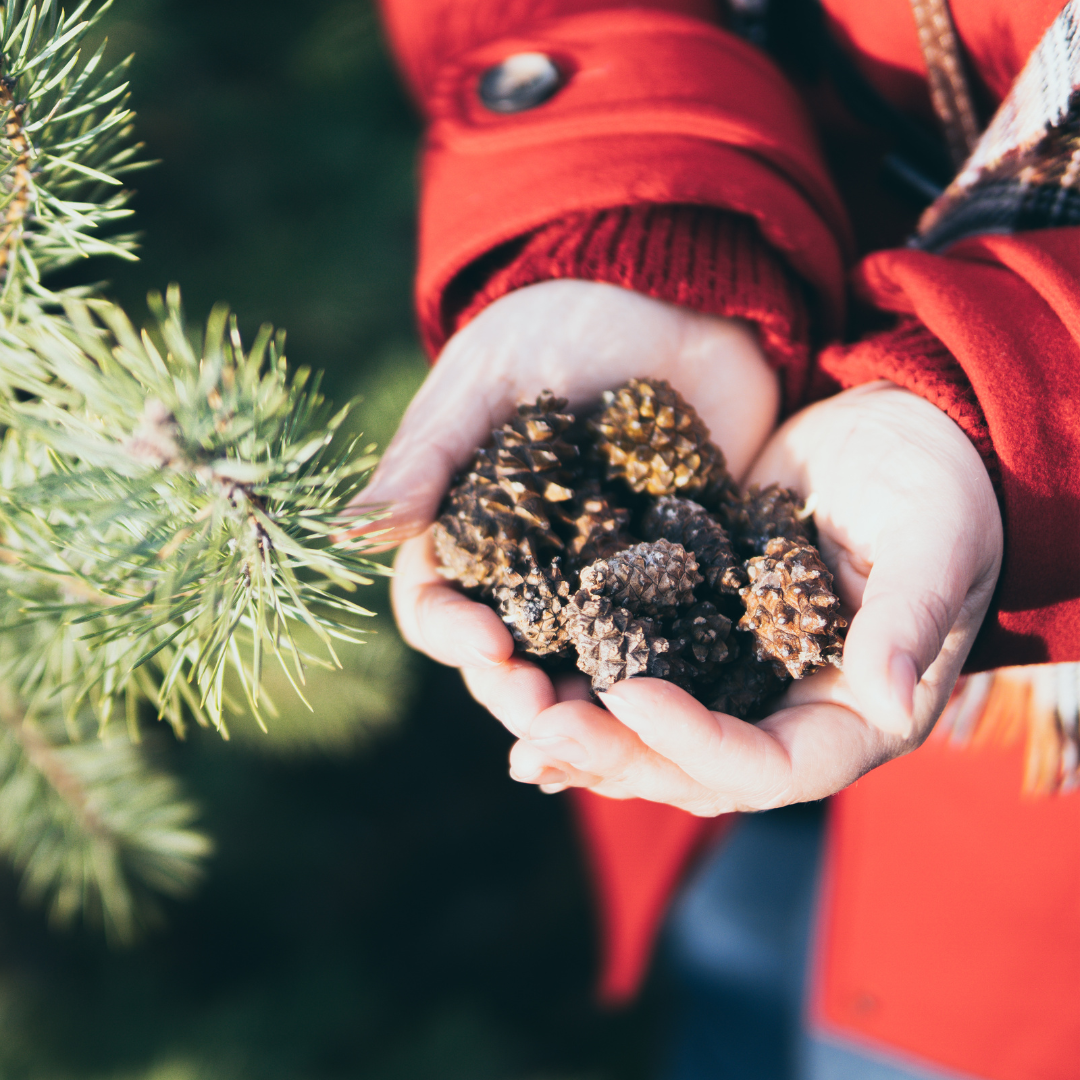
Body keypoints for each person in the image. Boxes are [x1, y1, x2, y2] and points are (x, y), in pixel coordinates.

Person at [358, 1, 1080, 1076]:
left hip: (1019, 858)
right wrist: (631, 220)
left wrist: (1005, 406)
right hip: (728, 782)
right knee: (735, 965)